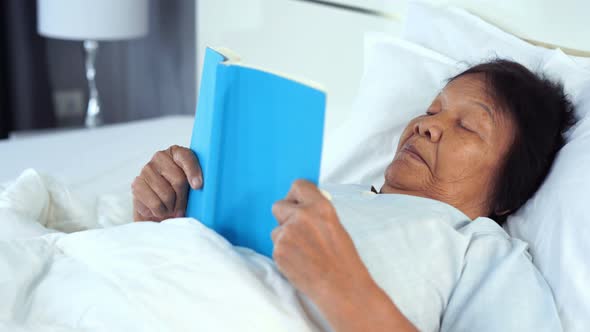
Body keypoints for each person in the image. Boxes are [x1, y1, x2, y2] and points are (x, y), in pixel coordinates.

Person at [132, 60, 574, 331]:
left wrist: (341, 285)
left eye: (467, 126)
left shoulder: (484, 252)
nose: (426, 125)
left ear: (507, 197)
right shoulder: (328, 195)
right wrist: (161, 219)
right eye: (433, 109)